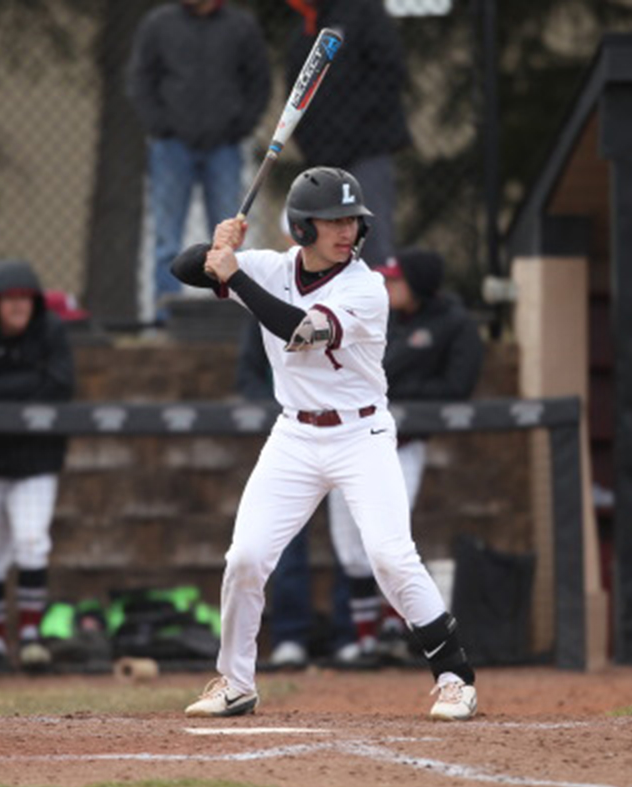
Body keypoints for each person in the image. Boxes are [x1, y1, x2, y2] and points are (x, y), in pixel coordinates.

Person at [172, 166, 477, 721]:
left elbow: (301, 332)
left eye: (351, 221)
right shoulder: (270, 266)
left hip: (362, 433)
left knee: (388, 555)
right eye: (332, 221)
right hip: (294, 435)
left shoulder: (366, 287)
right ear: (301, 227)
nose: (346, 231)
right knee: (244, 557)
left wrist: (234, 275)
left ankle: (456, 677)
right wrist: (215, 247)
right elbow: (183, 268)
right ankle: (235, 682)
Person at [327, 248, 484, 660]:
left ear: (419, 284)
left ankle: (396, 632)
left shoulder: (452, 323)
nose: (387, 286)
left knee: (388, 542)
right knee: (349, 547)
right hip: (344, 440)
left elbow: (457, 387)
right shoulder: (381, 314)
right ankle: (366, 640)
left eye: (397, 280)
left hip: (401, 445)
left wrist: (400, 395)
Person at [0, 259, 75, 673]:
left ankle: (28, 636)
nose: (19, 306)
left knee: (30, 542)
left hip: (37, 460)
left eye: (25, 298)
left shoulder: (52, 331)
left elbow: (61, 384)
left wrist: (2, 388)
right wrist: (30, 381)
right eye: (10, 299)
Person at [127, 0, 271, 319]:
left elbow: (259, 81)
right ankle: (165, 317)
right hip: (171, 147)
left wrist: (240, 126)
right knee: (167, 239)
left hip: (225, 147)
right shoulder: (159, 24)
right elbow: (141, 79)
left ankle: (234, 313)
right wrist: (160, 127)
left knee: (229, 236)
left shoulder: (240, 27)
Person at [236, 321, 356, 668]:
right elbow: (248, 375)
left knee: (351, 543)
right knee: (284, 542)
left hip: (347, 436)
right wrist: (284, 409)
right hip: (292, 438)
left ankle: (349, 636)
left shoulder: (346, 302)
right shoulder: (266, 308)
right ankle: (290, 636)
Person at [284, 0, 410, 267]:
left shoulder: (362, 12)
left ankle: (379, 309)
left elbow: (390, 72)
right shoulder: (305, 29)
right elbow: (296, 95)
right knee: (326, 251)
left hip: (366, 151)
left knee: (371, 242)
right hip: (323, 159)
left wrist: (349, 128)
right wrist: (310, 144)